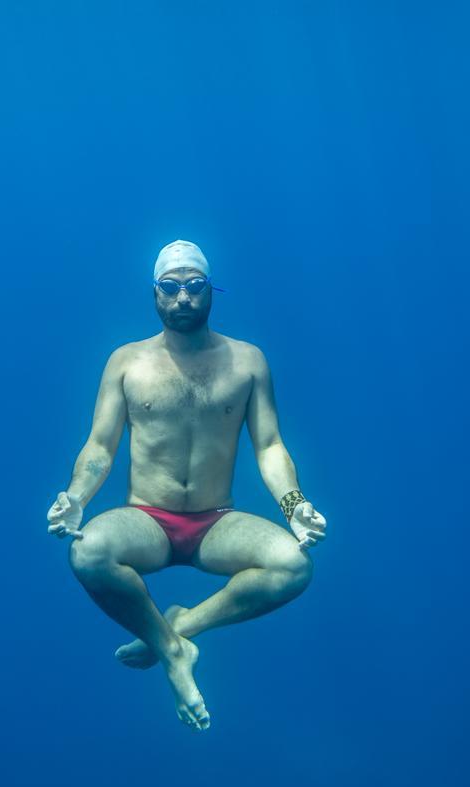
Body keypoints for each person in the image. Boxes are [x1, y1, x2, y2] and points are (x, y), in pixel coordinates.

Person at [45, 239, 328, 731]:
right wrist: (75, 499)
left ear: (211, 290)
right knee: (88, 553)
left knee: (294, 567)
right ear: (154, 293)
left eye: (194, 286)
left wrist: (295, 504)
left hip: (217, 521)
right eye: (170, 288)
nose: (183, 298)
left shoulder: (248, 362)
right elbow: (99, 447)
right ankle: (176, 653)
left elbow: (269, 447)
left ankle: (176, 629)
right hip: (145, 520)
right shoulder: (126, 362)